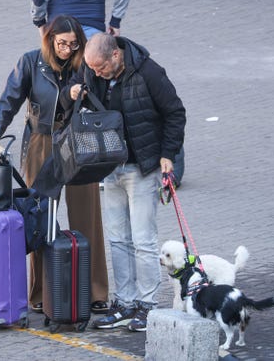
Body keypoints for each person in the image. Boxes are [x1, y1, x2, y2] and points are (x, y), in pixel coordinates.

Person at [60, 32, 186, 331]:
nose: (96, 73)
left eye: (100, 68)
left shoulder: (149, 72)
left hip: (142, 167)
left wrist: (168, 154)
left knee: (143, 240)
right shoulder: (92, 70)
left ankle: (147, 305)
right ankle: (125, 302)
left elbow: (175, 113)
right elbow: (69, 93)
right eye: (91, 69)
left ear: (115, 56)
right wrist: (72, 92)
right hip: (108, 165)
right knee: (118, 239)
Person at [0, 15, 109, 315]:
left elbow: (102, 99)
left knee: (87, 215)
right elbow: (8, 101)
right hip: (41, 141)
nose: (67, 50)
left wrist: (82, 94)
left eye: (73, 44)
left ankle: (93, 290)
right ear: (50, 39)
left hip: (79, 142)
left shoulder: (85, 65)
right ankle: (40, 292)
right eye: (61, 43)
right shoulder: (30, 62)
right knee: (40, 217)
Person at [31, 0, 131, 38]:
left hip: (59, 28)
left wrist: (40, 22)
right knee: (101, 70)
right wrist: (115, 21)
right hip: (93, 27)